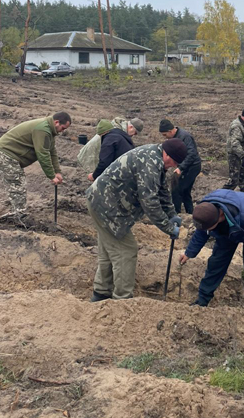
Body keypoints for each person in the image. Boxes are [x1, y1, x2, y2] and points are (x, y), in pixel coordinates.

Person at [86, 138, 187, 301]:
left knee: (108, 249)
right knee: (126, 250)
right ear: (167, 153)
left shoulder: (156, 156)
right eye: (173, 161)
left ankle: (101, 293)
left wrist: (171, 214)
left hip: (105, 202)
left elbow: (161, 189)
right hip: (106, 206)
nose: (174, 166)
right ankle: (122, 299)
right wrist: (168, 228)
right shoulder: (150, 162)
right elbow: (149, 201)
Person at [179, 189, 244, 307]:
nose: (208, 231)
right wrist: (189, 253)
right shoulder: (205, 211)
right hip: (226, 234)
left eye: (210, 228)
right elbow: (201, 233)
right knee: (215, 264)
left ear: (220, 216)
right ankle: (202, 301)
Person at [0, 112, 71, 220]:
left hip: (11, 155)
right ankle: (19, 216)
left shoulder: (50, 131)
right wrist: (51, 176)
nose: (63, 131)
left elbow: (52, 152)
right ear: (56, 122)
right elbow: (42, 154)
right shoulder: (42, 129)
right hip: (5, 154)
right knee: (17, 183)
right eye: (63, 128)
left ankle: (19, 213)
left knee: (18, 183)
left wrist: (57, 171)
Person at [158, 119, 202, 214]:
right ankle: (190, 213)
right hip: (186, 166)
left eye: (165, 135)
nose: (165, 138)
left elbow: (192, 154)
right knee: (185, 192)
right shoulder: (175, 136)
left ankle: (175, 214)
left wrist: (181, 167)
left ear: (170, 131)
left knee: (176, 191)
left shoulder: (185, 137)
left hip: (192, 167)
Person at [87, 117, 144, 182]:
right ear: (131, 127)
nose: (134, 135)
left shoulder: (113, 136)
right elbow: (106, 162)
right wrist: (95, 175)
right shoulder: (116, 137)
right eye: (135, 133)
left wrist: (94, 176)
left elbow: (105, 162)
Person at [224, 107, 244, 194]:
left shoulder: (242, 125)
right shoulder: (237, 126)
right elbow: (235, 143)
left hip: (240, 156)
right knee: (233, 181)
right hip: (235, 156)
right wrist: (242, 156)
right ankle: (219, 197)